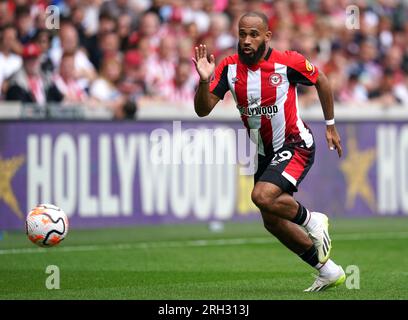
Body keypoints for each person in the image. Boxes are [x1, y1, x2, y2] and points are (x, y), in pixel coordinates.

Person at [192, 11, 345, 292]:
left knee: (261, 195)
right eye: (242, 34)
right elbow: (202, 109)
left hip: (295, 143)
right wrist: (204, 80)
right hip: (264, 152)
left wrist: (330, 126)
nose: (246, 40)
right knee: (272, 220)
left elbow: (321, 79)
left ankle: (313, 220)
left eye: (253, 34)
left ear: (266, 36)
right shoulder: (228, 68)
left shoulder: (287, 62)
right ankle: (328, 271)